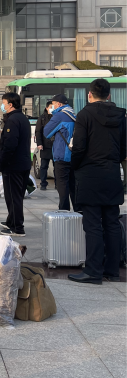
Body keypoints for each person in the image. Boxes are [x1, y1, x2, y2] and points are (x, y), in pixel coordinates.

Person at [68, 78, 127, 285]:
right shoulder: (121, 116)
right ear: (109, 95)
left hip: (90, 174)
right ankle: (112, 270)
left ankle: (93, 270)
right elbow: (124, 148)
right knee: (111, 222)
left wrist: (75, 166)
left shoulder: (85, 115)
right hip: (112, 173)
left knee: (92, 224)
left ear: (90, 95)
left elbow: (79, 147)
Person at [0, 91, 31, 236]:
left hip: (13, 164)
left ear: (10, 105)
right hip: (23, 163)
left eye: (4, 103)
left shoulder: (12, 120)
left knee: (13, 197)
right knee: (16, 195)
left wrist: (3, 162)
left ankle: (17, 227)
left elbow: (10, 144)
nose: (2, 106)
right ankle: (11, 221)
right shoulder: (22, 118)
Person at [43, 94, 77, 212]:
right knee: (73, 186)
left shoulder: (59, 116)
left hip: (62, 155)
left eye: (53, 104)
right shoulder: (74, 114)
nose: (52, 107)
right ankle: (79, 211)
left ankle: (64, 211)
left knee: (62, 185)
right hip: (74, 156)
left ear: (58, 104)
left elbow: (47, 132)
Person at [34, 101, 54, 190]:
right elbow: (38, 132)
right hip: (45, 145)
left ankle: (57, 184)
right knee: (44, 166)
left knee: (56, 166)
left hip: (55, 145)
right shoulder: (42, 118)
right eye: (51, 107)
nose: (52, 109)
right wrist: (39, 143)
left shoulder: (57, 117)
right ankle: (43, 183)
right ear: (47, 108)